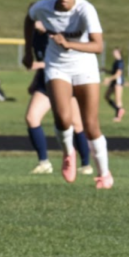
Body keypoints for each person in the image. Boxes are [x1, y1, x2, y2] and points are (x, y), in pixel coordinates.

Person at [24, 0, 114, 189]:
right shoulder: (44, 7)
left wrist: (69, 44)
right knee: (63, 119)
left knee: (91, 125)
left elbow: (98, 46)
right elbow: (29, 17)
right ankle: (68, 154)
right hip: (57, 67)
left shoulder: (86, 10)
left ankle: (104, 174)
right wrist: (27, 51)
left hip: (85, 67)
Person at [23, 19, 92, 176]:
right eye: (32, 17)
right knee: (32, 118)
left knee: (77, 124)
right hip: (45, 83)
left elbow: (63, 60)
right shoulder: (34, 36)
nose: (35, 20)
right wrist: (35, 81)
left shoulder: (56, 34)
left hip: (64, 81)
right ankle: (44, 162)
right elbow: (41, 60)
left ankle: (86, 164)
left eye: (38, 16)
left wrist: (38, 65)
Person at [105, 47, 126, 121]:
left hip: (118, 82)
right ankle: (119, 110)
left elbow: (118, 74)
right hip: (114, 82)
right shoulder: (116, 62)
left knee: (118, 100)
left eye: (115, 52)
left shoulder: (120, 62)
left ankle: (118, 116)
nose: (113, 54)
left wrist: (108, 79)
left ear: (118, 53)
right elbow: (113, 72)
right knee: (107, 96)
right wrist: (105, 70)